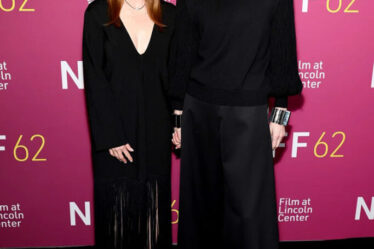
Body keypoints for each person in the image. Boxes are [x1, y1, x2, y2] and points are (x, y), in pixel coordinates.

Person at [169, 0, 303, 248]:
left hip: (249, 112)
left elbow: (282, 48)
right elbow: (184, 47)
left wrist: (280, 115)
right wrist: (177, 115)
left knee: (250, 212)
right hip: (197, 108)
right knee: (200, 205)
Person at [82, 0, 175, 248]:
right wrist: (110, 136)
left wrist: (178, 122)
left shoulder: (171, 15)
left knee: (153, 216)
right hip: (113, 134)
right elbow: (94, 78)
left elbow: (179, 75)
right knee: (115, 218)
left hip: (157, 131)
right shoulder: (97, 13)